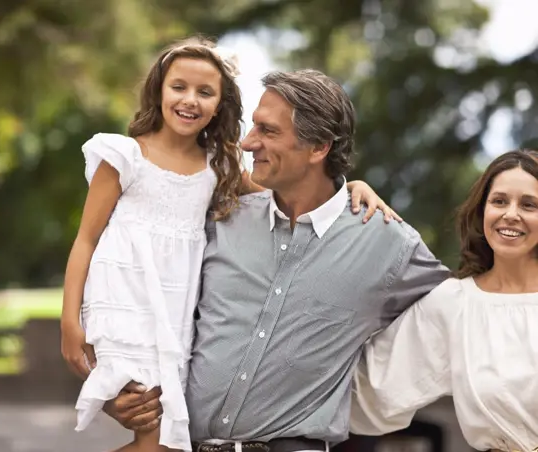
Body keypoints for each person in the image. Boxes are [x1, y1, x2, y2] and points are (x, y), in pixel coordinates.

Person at [59, 38, 391, 452]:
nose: (189, 100)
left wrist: (352, 187)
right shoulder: (125, 156)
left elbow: (292, 191)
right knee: (157, 435)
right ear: (159, 90)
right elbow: (85, 240)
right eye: (178, 87)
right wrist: (70, 322)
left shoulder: (218, 164)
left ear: (220, 104)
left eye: (205, 92)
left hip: (176, 315)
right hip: (124, 304)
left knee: (165, 440)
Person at [351, 149, 538, 452]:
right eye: (499, 201)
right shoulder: (454, 303)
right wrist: (341, 204)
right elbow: (370, 391)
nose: (511, 214)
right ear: (482, 211)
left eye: (529, 204)